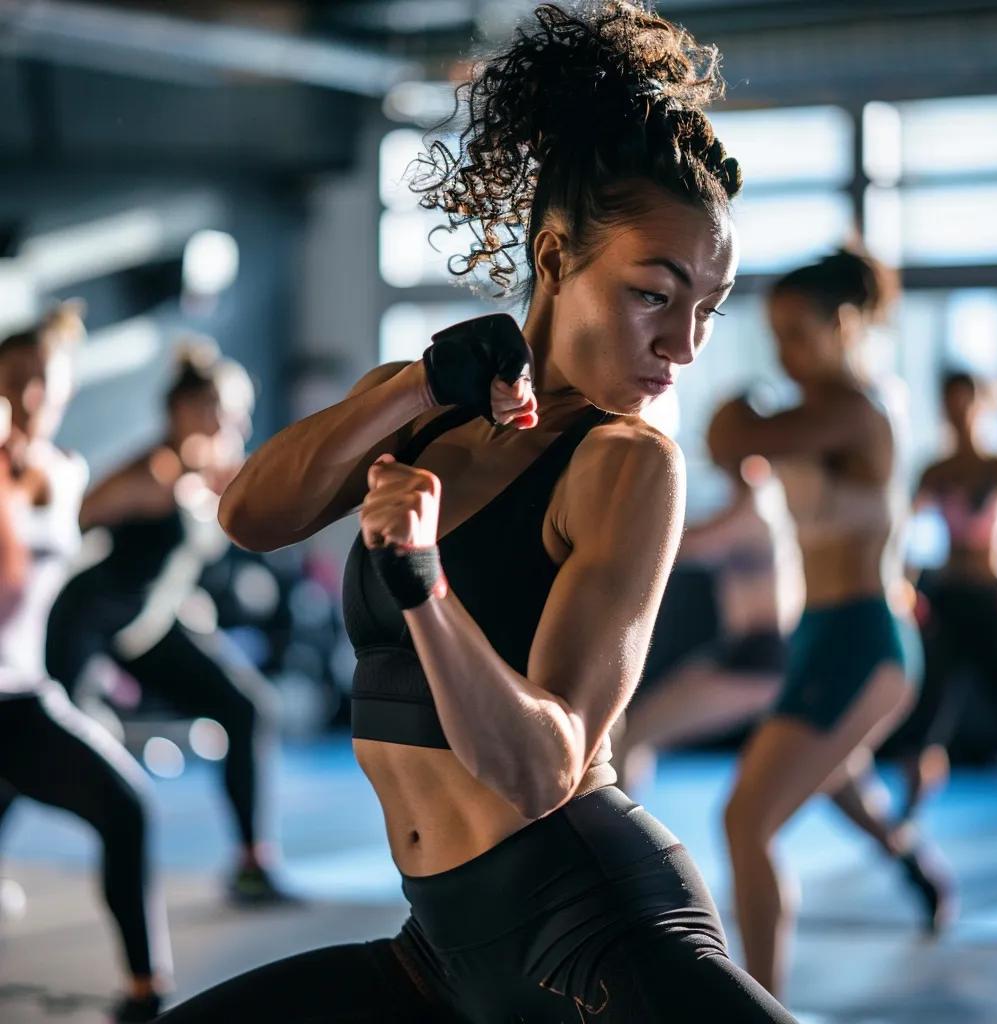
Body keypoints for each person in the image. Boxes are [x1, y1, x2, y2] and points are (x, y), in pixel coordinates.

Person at [156, 4, 798, 1021]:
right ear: (552, 261)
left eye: (706, 307)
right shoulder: (416, 411)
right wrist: (415, 385)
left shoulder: (628, 465)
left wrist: (423, 584)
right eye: (653, 294)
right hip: (442, 956)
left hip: (592, 932)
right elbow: (251, 512)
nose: (683, 343)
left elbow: (545, 766)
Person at [708, 249, 955, 997]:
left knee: (747, 822)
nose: (784, 353)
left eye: (798, 333)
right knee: (839, 785)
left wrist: (743, 414)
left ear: (845, 326)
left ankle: (761, 1006)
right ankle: (913, 858)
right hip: (819, 633)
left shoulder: (854, 410)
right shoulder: (809, 415)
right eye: (775, 336)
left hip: (860, 637)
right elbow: (734, 436)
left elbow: (727, 437)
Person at [44, 341, 282, 902]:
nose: (239, 423)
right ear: (186, 411)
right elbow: (68, 521)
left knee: (246, 709)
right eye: (227, 409)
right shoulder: (152, 472)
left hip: (147, 628)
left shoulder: (202, 478)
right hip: (86, 625)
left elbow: (172, 561)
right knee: (34, 743)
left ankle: (252, 864)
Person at [0, 307, 172, 1022]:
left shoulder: (68, 474)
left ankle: (146, 991)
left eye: (44, 381)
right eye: (15, 380)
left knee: (128, 808)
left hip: (21, 694)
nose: (31, 395)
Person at [617, 453, 801, 794]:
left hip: (758, 658)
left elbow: (687, 544)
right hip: (744, 652)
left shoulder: (758, 507)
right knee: (634, 735)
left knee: (633, 737)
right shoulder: (753, 506)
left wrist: (613, 538)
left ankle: (617, 837)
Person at [897, 370, 997, 818]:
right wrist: (905, 588)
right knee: (927, 717)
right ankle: (906, 819)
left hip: (992, 599)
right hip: (950, 600)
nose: (958, 414)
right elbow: (905, 534)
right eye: (950, 404)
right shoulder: (936, 470)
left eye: (966, 403)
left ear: (981, 405)